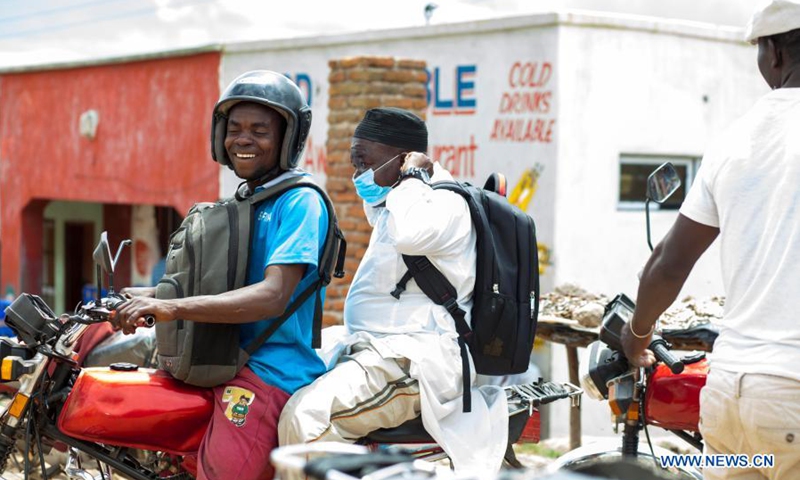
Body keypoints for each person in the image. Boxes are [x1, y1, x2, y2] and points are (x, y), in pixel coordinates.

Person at [116, 70, 329, 480]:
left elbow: (272, 295)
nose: (242, 139)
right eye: (234, 129)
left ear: (287, 138)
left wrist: (171, 306)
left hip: (269, 370)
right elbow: (218, 286)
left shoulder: (300, 202)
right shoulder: (247, 200)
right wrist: (142, 298)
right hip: (218, 359)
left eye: (259, 130)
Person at [621, 2, 800, 479]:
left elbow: (668, 263)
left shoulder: (735, 140)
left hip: (728, 398)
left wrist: (637, 333)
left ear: (775, 53)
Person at [278, 107, 508, 475]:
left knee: (306, 420)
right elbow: (380, 212)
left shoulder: (442, 202)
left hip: (417, 360)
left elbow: (410, 235)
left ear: (402, 160)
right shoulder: (404, 201)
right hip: (380, 350)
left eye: (363, 162)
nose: (358, 175)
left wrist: (412, 175)